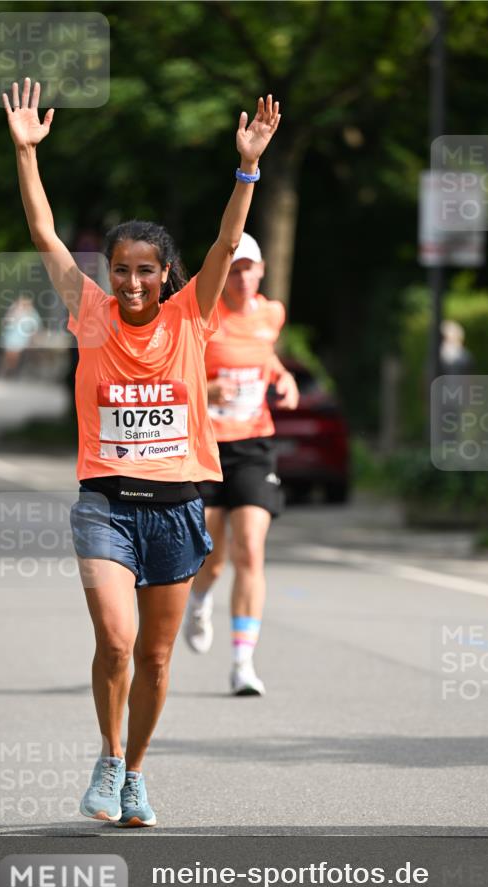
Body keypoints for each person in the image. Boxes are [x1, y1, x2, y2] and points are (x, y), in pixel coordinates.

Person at [3, 77, 281, 826]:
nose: (130, 282)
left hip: (177, 508)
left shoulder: (191, 315)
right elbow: (44, 235)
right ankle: (105, 755)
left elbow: (226, 243)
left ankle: (134, 773)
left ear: (165, 275)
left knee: (157, 659)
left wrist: (247, 168)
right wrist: (27, 154)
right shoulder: (91, 315)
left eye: (144, 270)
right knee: (119, 643)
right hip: (106, 507)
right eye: (120, 269)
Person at [183, 233, 299, 696]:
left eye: (250, 269)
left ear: (262, 271)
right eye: (234, 270)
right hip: (208, 448)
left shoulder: (271, 314)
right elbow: (173, 371)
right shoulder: (202, 315)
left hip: (254, 446)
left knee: (250, 548)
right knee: (212, 559)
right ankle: (199, 599)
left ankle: (242, 663)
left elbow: (266, 356)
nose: (243, 278)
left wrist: (284, 377)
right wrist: (206, 388)